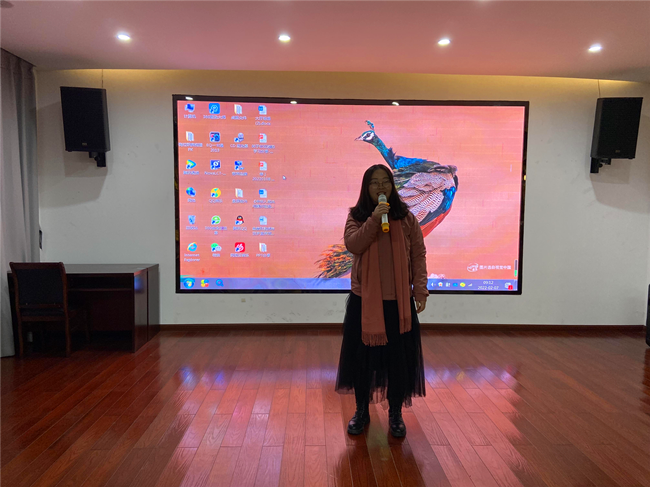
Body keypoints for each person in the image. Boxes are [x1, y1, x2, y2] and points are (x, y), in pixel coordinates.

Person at [335, 164, 428, 438]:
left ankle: (395, 413)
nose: (380, 187)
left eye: (385, 181)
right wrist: (374, 219)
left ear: (392, 185)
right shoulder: (357, 217)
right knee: (361, 361)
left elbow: (418, 255)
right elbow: (353, 244)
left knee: (398, 361)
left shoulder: (406, 217)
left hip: (399, 302)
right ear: (366, 187)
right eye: (374, 183)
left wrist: (420, 290)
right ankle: (361, 412)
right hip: (365, 302)